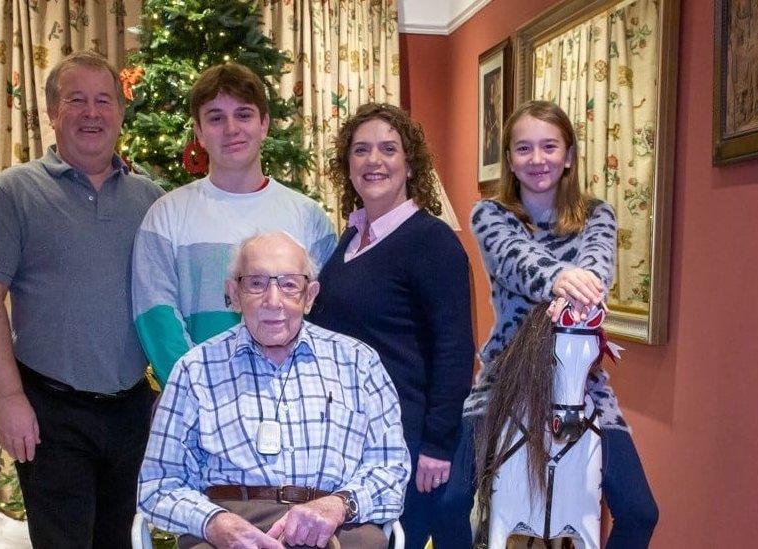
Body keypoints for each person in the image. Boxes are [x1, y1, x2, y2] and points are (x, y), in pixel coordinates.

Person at [0, 51, 164, 548]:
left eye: (104, 101)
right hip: (51, 410)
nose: (92, 113)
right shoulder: (13, 193)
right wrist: (9, 398)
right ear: (53, 112)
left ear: (120, 112)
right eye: (77, 100)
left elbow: (167, 302)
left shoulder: (151, 199)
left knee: (119, 540)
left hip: (132, 411)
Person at [463, 100, 659, 547]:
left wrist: (576, 283)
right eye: (524, 148)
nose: (537, 160)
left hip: (582, 381)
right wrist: (561, 279)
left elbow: (598, 266)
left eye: (549, 147)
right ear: (510, 159)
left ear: (568, 154)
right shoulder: (490, 215)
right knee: (452, 497)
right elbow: (517, 261)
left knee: (640, 510)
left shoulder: (598, 214)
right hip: (506, 376)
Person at [137, 232, 410, 549]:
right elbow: (158, 484)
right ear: (234, 294)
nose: (273, 300)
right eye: (256, 283)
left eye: (289, 285)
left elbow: (391, 470)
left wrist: (338, 506)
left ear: (309, 296)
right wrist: (214, 522)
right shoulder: (195, 370)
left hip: (334, 528)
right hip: (230, 528)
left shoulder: (359, 364)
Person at [308, 103, 475, 548]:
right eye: (361, 150)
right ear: (347, 165)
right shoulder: (351, 238)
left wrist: (438, 445)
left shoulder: (431, 241)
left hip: (409, 437)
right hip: (354, 436)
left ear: (409, 162)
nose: (373, 161)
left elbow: (455, 350)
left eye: (388, 148)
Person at [132, 62, 336, 387]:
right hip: (200, 401)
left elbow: (325, 315)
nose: (231, 129)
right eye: (215, 118)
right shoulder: (165, 215)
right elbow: (156, 317)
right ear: (198, 131)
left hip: (292, 398)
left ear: (264, 124)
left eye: (243, 114)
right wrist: (197, 390)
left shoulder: (308, 217)